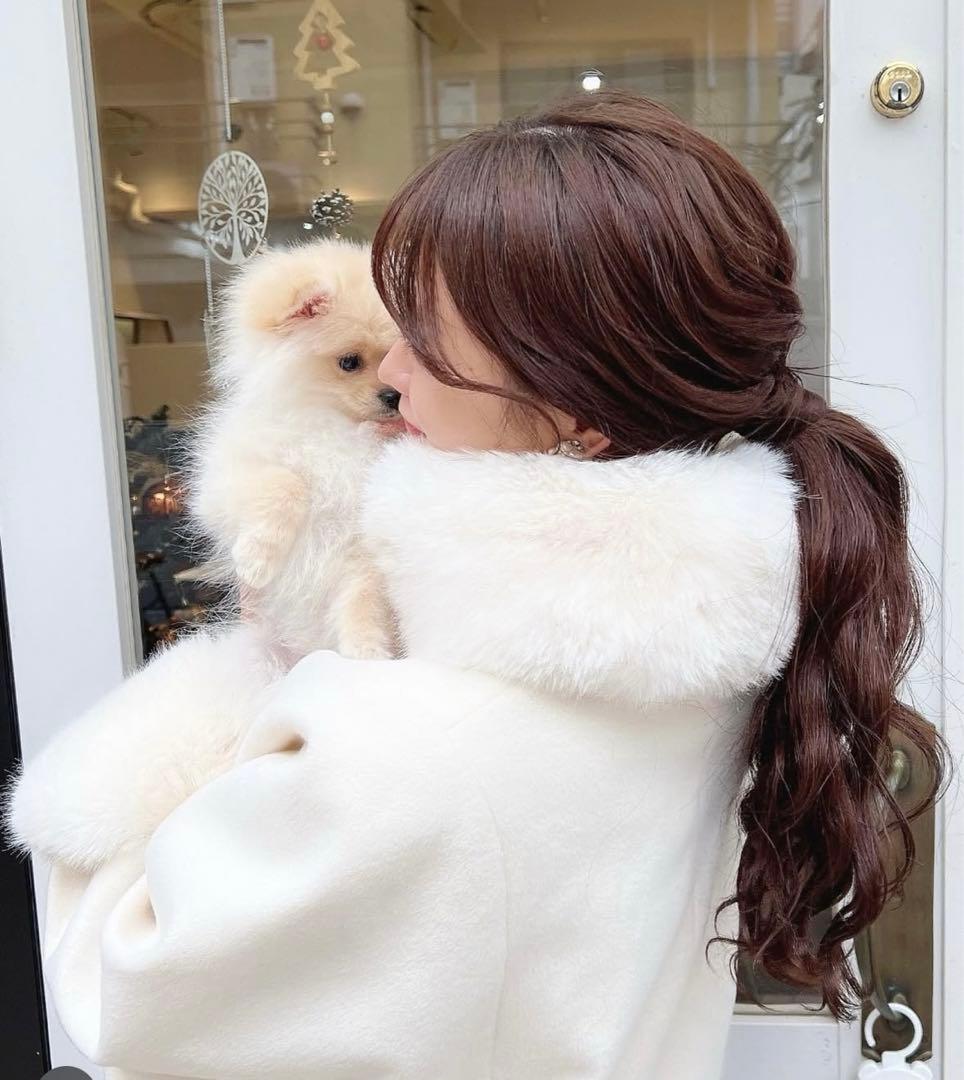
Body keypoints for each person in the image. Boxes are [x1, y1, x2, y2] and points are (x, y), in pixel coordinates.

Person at [1, 88, 948, 1080]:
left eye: (427, 337)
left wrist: (215, 704)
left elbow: (131, 986)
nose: (394, 370)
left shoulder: (413, 745)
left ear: (577, 406)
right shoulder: (708, 657)